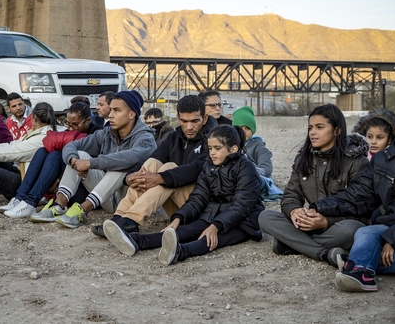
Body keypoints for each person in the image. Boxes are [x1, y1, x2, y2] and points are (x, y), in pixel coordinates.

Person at [104, 126, 264, 264]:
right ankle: (136, 241)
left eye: (217, 148)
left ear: (233, 149)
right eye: (210, 148)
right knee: (181, 231)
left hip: (245, 220)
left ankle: (179, 252)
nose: (212, 153)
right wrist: (177, 219)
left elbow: (242, 205)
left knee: (208, 238)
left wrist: (215, 226)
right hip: (216, 213)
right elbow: (198, 198)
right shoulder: (209, 165)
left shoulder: (246, 168)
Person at [311, 101, 395, 292]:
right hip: (389, 225)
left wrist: (393, 239)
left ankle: (356, 264)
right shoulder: (384, 158)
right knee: (365, 232)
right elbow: (358, 194)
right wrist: (317, 207)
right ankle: (360, 274)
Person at [258, 104, 370, 267]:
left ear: (337, 130)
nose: (312, 132)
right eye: (310, 127)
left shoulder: (357, 162)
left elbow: (361, 208)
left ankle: (292, 244)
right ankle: (324, 254)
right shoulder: (304, 158)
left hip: (337, 226)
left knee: (353, 229)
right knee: (265, 216)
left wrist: (325, 221)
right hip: (308, 224)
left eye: (319, 127)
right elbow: (290, 195)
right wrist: (295, 211)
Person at [94, 95, 217, 238]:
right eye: (184, 121)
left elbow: (197, 168)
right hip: (178, 207)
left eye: (195, 121)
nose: (189, 127)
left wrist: (160, 177)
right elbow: (154, 157)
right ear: (178, 118)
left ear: (205, 118)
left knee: (168, 167)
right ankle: (119, 217)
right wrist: (130, 176)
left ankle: (132, 220)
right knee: (153, 163)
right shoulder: (174, 137)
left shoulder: (214, 138)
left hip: (200, 206)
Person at [30, 90, 156, 228]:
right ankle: (59, 205)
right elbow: (72, 145)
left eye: (117, 110)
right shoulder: (107, 133)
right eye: (111, 110)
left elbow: (131, 157)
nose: (110, 115)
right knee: (80, 154)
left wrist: (90, 164)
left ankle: (83, 211)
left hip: (127, 200)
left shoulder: (146, 138)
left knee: (120, 165)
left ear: (131, 114)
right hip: (104, 197)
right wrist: (74, 161)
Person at [2, 102, 102, 218]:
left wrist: (59, 179)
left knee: (56, 154)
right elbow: (48, 144)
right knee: (42, 151)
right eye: (67, 123)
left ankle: (31, 202)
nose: (70, 128)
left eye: (74, 125)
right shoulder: (69, 132)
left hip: (84, 189)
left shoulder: (97, 134)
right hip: (63, 187)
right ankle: (20, 198)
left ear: (88, 120)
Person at [232, 106, 281, 201]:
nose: (244, 132)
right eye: (240, 128)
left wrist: (249, 170)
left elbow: (266, 168)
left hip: (255, 177)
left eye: (247, 128)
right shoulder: (231, 146)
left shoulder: (258, 146)